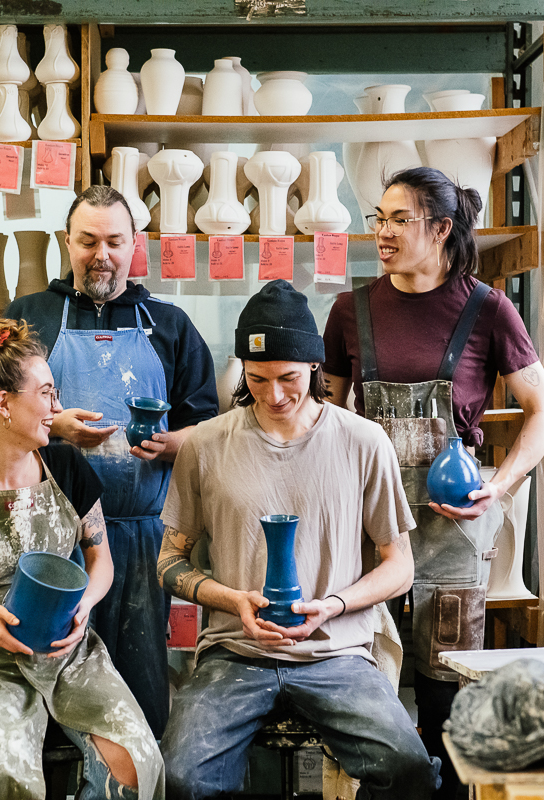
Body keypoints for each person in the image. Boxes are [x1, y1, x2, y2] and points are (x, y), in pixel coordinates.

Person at [323, 166, 544, 799]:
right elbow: (324, 418)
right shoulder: (351, 309)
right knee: (364, 677)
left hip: (453, 529)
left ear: (441, 229)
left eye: (399, 219)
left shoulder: (487, 309)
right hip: (368, 527)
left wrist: (501, 485)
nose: (383, 232)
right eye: (379, 218)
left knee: (446, 689)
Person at [157, 280, 441, 800]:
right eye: (257, 378)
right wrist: (233, 601)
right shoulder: (205, 444)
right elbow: (169, 563)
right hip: (234, 652)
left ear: (314, 366)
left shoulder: (362, 440)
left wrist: (333, 605)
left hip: (338, 654)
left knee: (408, 769)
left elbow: (399, 566)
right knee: (180, 778)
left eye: (288, 377)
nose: (274, 395)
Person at [0, 304, 163, 800]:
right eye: (46, 394)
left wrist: (84, 606)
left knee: (136, 760)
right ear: (3, 403)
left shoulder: (66, 468)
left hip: (68, 651)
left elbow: (99, 560)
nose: (56, 407)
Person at [6, 185, 219, 737]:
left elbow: (212, 430)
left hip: (144, 535)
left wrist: (172, 443)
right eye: (88, 241)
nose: (101, 254)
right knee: (52, 677)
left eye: (114, 242)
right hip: (49, 538)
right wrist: (54, 429)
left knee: (140, 683)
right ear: (67, 243)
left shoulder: (170, 324)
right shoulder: (28, 318)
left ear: (134, 246)